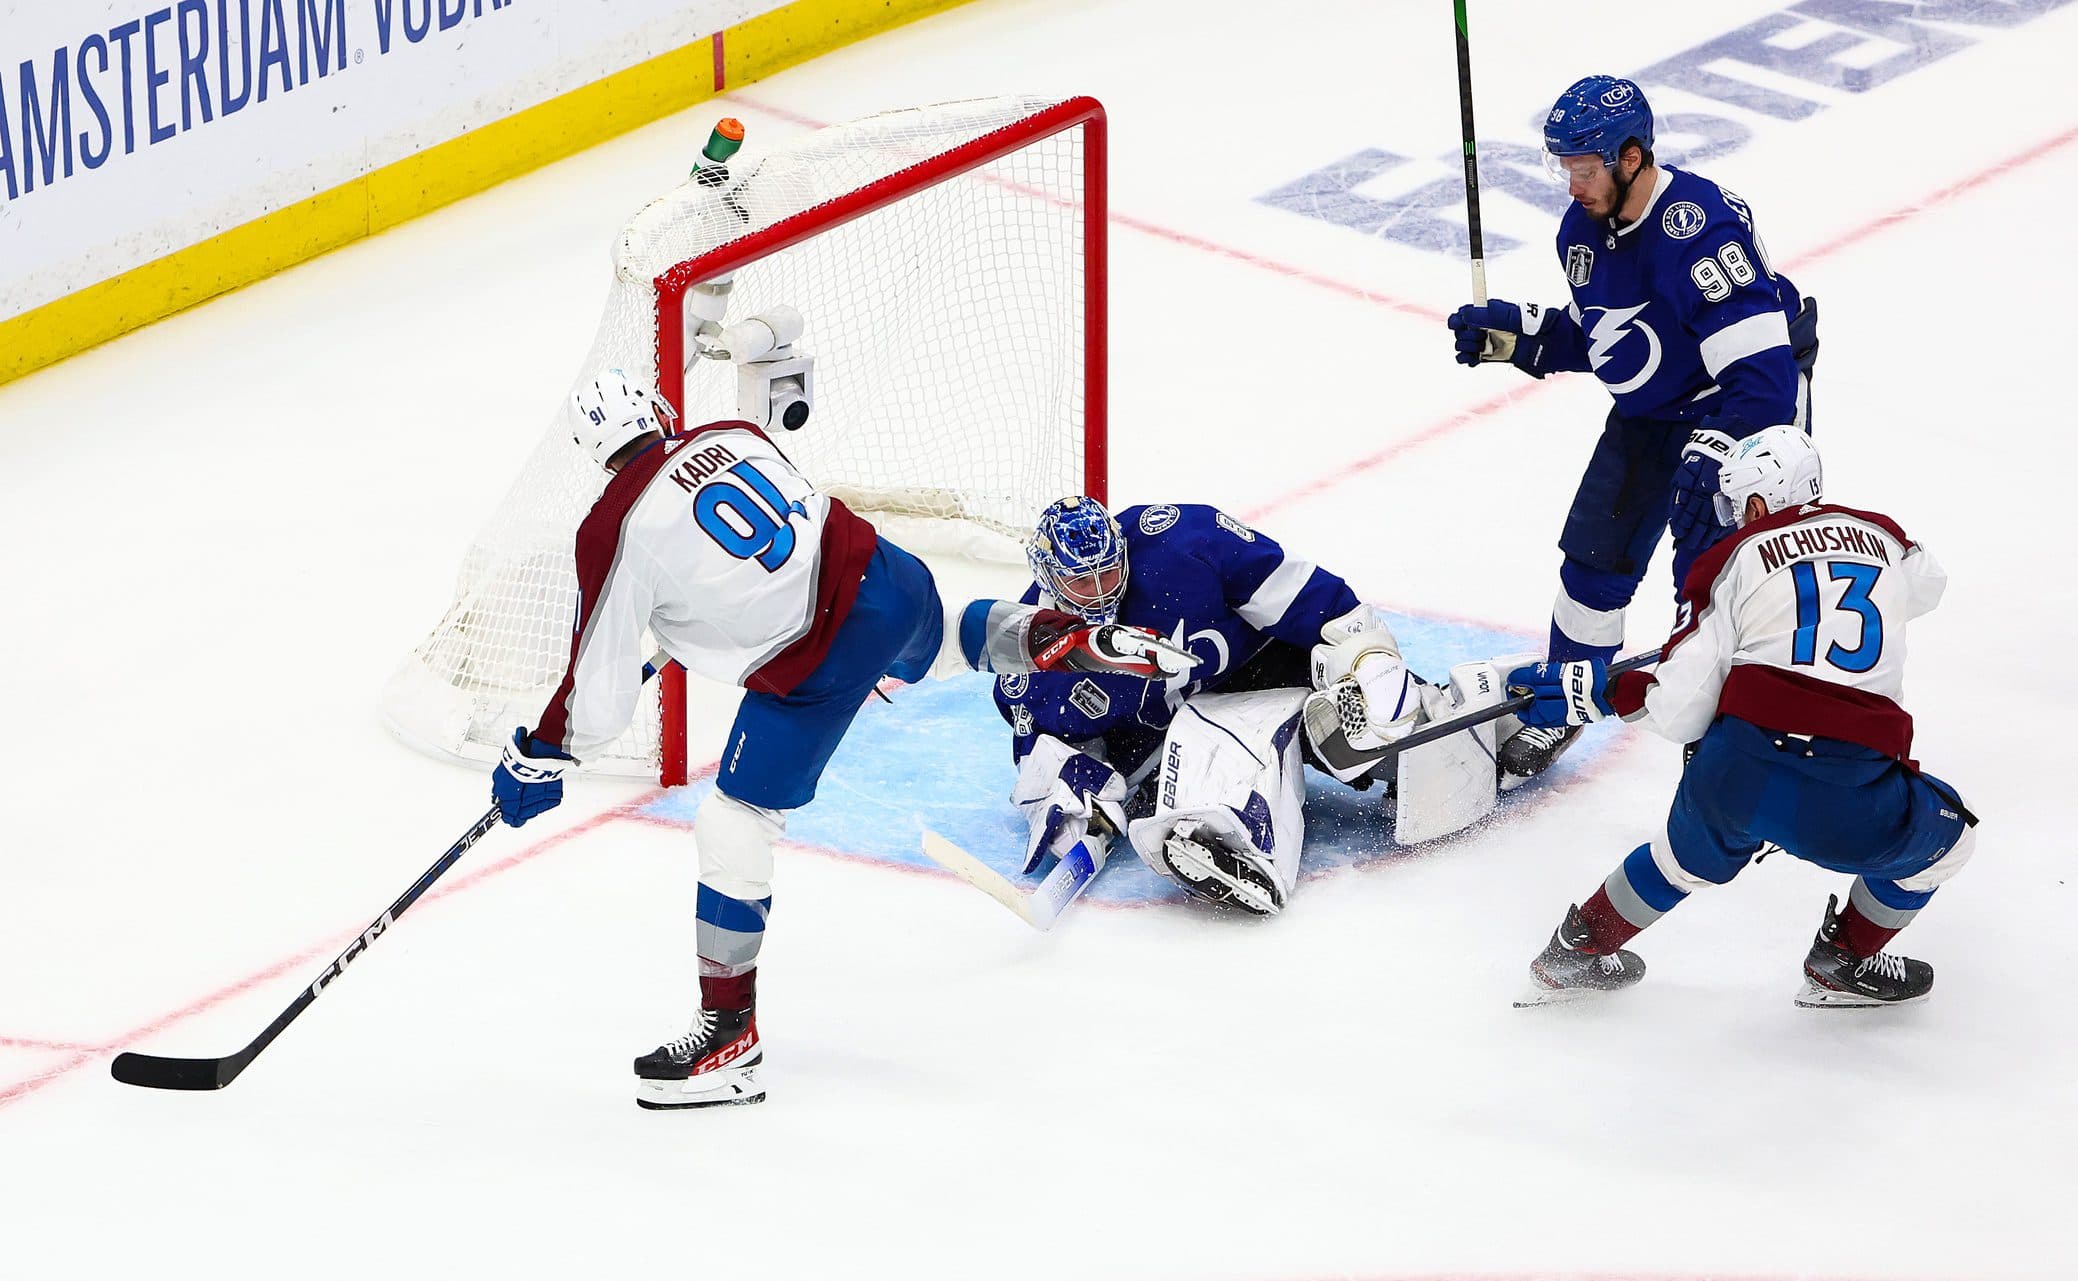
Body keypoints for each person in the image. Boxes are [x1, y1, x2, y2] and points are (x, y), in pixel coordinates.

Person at [490, 370, 1195, 1109]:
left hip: (816, 653)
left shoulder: (612, 528)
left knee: (733, 820)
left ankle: (729, 1038)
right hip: (887, 576)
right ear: (661, 413)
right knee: (947, 632)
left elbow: (593, 698)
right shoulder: (732, 435)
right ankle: (1070, 636)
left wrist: (540, 753)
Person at [1506, 427, 1974, 1008]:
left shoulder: (1728, 560)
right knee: (1949, 842)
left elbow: (1680, 706)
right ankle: (1845, 960)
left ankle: (1573, 954)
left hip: (1740, 771)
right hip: (1850, 786)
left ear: (1757, 502)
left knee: (1677, 859)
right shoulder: (1882, 533)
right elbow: (1928, 584)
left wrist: (1595, 692)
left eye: (1735, 503)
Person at [1447, 74, 1819, 783]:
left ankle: (1750, 732)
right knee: (1595, 555)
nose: (1572, 185)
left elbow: (1764, 378)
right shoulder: (1581, 232)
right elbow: (1622, 347)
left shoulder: (1698, 230)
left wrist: (1716, 452)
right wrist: (1519, 338)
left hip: (1743, 404)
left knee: (1720, 578)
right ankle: (1567, 699)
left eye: (1585, 169)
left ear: (1631, 157)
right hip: (1660, 405)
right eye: (1565, 168)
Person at [995, 497, 1511, 916]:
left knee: (1365, 715)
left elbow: (1293, 589)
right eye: (1082, 582)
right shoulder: (1032, 661)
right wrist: (1073, 795)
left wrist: (1363, 647)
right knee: (1226, 761)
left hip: (1268, 657)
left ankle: (1494, 720)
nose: (1102, 590)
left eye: (1110, 571)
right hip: (1188, 728)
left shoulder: (1182, 539)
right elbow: (1048, 757)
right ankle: (1238, 848)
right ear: (1048, 580)